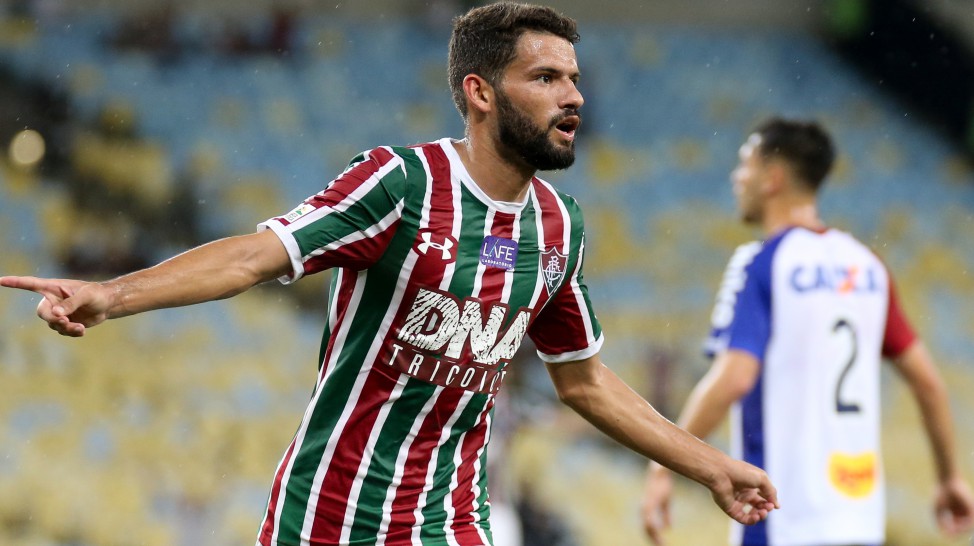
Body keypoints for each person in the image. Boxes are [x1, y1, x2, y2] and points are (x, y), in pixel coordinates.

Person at [1, 3, 779, 545]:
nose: (572, 96)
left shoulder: (558, 226)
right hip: (330, 516)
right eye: (545, 78)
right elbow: (249, 256)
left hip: (451, 522)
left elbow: (583, 382)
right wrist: (111, 294)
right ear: (480, 93)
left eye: (573, 79)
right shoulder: (399, 185)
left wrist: (710, 468)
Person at [640, 117, 974, 546]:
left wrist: (664, 466)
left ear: (772, 178)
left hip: (783, 518)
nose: (736, 176)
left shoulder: (761, 263)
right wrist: (949, 478)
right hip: (859, 521)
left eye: (745, 163)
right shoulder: (866, 267)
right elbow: (928, 384)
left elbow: (734, 377)